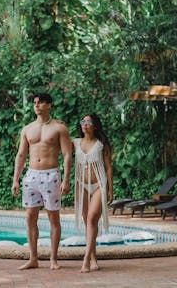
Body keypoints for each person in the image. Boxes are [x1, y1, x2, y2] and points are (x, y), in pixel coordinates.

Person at [11, 92, 72, 270]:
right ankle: (33, 258)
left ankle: (53, 259)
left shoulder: (59, 128)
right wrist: (16, 179)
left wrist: (66, 179)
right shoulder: (27, 129)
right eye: (35, 102)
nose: (37, 105)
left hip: (50, 175)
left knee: (53, 217)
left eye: (41, 102)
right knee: (30, 217)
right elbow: (21, 155)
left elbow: (67, 154)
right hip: (31, 176)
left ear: (49, 105)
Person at [72, 113, 113, 273]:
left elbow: (109, 168)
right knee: (89, 223)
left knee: (91, 219)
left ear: (95, 126)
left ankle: (86, 260)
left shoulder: (102, 144)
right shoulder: (74, 143)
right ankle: (94, 258)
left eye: (88, 122)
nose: (85, 124)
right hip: (81, 185)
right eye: (83, 121)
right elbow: (59, 144)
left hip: (99, 185)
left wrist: (110, 189)